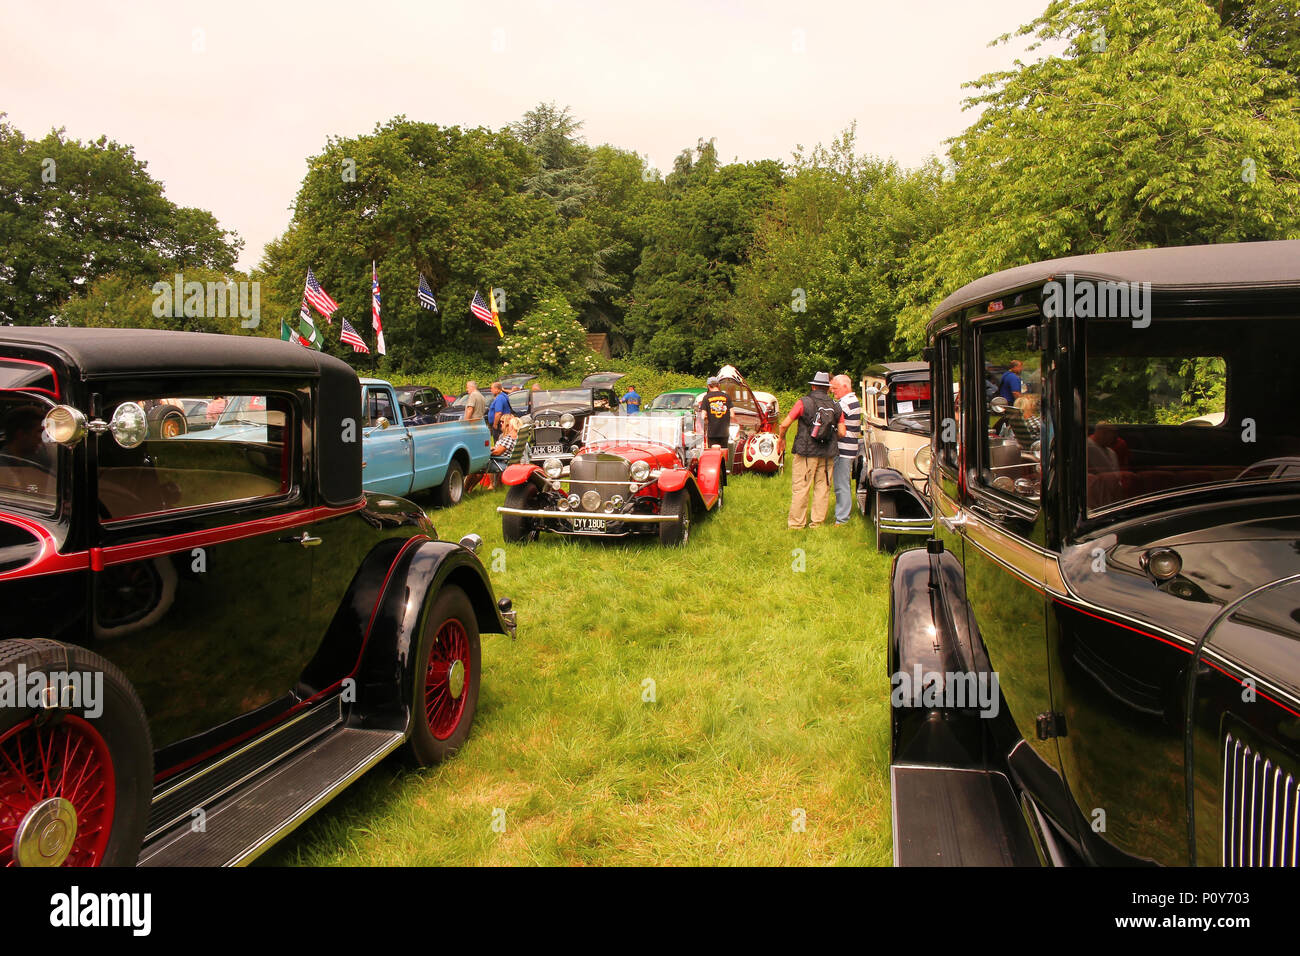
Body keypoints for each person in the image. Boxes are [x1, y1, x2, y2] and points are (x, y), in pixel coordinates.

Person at [778, 372, 845, 529]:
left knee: (801, 488)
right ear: (827, 389)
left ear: (813, 386)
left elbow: (784, 424)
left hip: (806, 453)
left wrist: (781, 439)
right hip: (827, 454)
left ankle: (796, 524)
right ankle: (817, 523)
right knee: (823, 488)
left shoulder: (803, 402)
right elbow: (842, 432)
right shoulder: (836, 406)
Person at [830, 375, 862, 526]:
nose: (832, 391)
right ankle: (843, 515)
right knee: (843, 483)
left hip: (844, 449)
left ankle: (842, 519)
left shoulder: (845, 403)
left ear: (845, 387)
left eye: (835, 388)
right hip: (848, 448)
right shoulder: (851, 400)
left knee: (841, 484)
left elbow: (829, 418)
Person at [702, 376, 731, 450]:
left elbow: (703, 416)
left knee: (713, 454)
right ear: (719, 385)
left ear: (708, 386)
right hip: (725, 432)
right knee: (724, 454)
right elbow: (733, 415)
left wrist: (707, 418)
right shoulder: (727, 397)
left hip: (712, 433)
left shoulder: (706, 398)